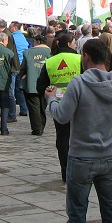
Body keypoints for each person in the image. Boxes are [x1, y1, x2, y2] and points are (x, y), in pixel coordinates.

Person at [46, 39, 112, 223]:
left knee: (77, 214)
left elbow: (62, 116)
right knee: (111, 210)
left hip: (81, 156)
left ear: (87, 57)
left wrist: (50, 99)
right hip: (108, 155)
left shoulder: (78, 84)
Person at [38, 31, 83, 181]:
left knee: (62, 137)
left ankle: (65, 170)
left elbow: (41, 85)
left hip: (58, 104)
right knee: (79, 136)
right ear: (70, 44)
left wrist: (50, 94)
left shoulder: (50, 61)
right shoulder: (79, 59)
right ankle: (80, 169)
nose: (76, 45)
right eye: (75, 43)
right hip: (79, 103)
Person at [20, 33, 50, 135]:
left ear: (37, 41)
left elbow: (23, 68)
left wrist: (21, 77)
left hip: (31, 82)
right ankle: (41, 125)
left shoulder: (28, 52)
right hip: (46, 84)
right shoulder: (50, 52)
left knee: (34, 107)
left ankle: (37, 128)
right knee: (43, 106)